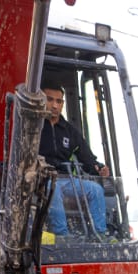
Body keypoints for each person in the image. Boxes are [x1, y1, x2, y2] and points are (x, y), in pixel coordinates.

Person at [40, 86, 110, 237]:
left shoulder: (70, 131)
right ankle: (62, 235)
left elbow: (87, 158)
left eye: (59, 101)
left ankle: (100, 235)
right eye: (50, 99)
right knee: (53, 187)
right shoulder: (34, 126)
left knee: (95, 190)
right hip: (41, 180)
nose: (54, 105)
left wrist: (98, 167)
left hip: (67, 180)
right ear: (41, 99)